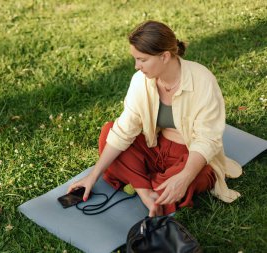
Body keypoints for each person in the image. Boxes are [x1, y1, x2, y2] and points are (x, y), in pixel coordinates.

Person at [68, 20, 242, 217]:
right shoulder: (141, 81)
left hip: (189, 154)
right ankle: (145, 192)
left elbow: (207, 139)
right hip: (155, 147)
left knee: (196, 176)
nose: (136, 66)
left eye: (142, 59)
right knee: (109, 131)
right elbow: (124, 131)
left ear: (165, 56)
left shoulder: (202, 80)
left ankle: (141, 180)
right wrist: (92, 177)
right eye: (135, 59)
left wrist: (184, 176)